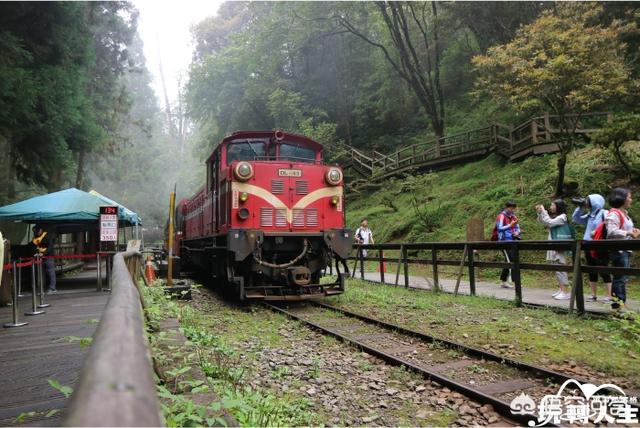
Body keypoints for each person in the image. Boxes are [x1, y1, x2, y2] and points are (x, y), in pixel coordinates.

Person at [571, 194, 612, 302]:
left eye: (588, 201)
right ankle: (593, 294)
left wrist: (599, 231)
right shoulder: (590, 215)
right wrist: (580, 208)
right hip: (588, 245)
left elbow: (609, 226)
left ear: (595, 202)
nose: (586, 202)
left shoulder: (605, 213)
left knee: (603, 269)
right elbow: (576, 220)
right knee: (591, 270)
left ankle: (609, 295)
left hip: (601, 246)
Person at [605, 188, 640, 309]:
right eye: (629, 197)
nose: (631, 199)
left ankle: (621, 304)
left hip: (625, 249)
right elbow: (611, 231)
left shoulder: (625, 213)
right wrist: (629, 233)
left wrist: (633, 231)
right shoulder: (614, 213)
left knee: (623, 277)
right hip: (619, 250)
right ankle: (617, 306)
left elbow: (625, 229)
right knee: (619, 278)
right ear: (622, 199)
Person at [537, 199, 573, 300]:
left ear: (558, 206)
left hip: (559, 245)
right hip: (553, 244)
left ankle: (565, 292)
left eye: (553, 205)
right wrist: (540, 213)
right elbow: (543, 222)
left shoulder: (563, 217)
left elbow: (550, 223)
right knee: (556, 267)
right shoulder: (557, 217)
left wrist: (544, 211)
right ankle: (561, 289)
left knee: (561, 266)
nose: (551, 207)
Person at [496, 201, 521, 288]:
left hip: (513, 241)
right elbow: (499, 228)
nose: (513, 210)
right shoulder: (501, 216)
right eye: (511, 208)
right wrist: (510, 225)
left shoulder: (513, 216)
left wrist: (517, 232)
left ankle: (503, 281)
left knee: (509, 260)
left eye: (514, 208)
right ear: (506, 207)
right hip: (504, 242)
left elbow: (518, 228)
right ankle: (515, 282)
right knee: (512, 260)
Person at [32, 225, 56, 293]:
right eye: (34, 231)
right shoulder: (35, 238)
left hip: (48, 257)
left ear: (41, 230)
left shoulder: (47, 236)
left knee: (50, 272)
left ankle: (52, 287)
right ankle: (40, 288)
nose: (36, 233)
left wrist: (44, 254)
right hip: (39, 257)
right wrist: (36, 253)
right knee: (40, 272)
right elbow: (33, 247)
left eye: (37, 231)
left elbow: (50, 247)